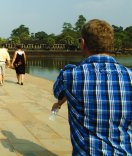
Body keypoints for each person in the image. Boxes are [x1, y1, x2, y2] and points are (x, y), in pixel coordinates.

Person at [52, 19, 132, 155]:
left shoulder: (70, 75)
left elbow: (57, 92)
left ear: (83, 43)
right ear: (110, 45)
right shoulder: (130, 76)